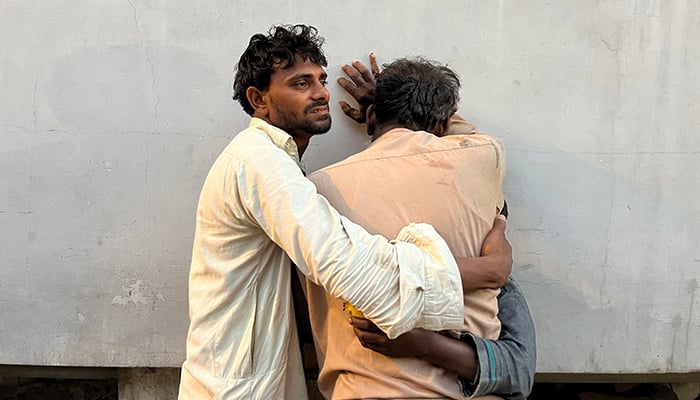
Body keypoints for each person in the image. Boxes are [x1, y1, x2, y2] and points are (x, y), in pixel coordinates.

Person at [177, 25, 513, 400]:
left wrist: (393, 110)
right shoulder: (256, 161)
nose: (321, 93)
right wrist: (486, 271)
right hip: (235, 389)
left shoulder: (280, 166)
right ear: (259, 100)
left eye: (321, 79)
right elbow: (347, 264)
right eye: (300, 84)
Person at [303, 56, 536, 399]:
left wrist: (381, 108)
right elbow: (464, 132)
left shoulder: (317, 190)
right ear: (442, 125)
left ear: (371, 117)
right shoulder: (484, 155)